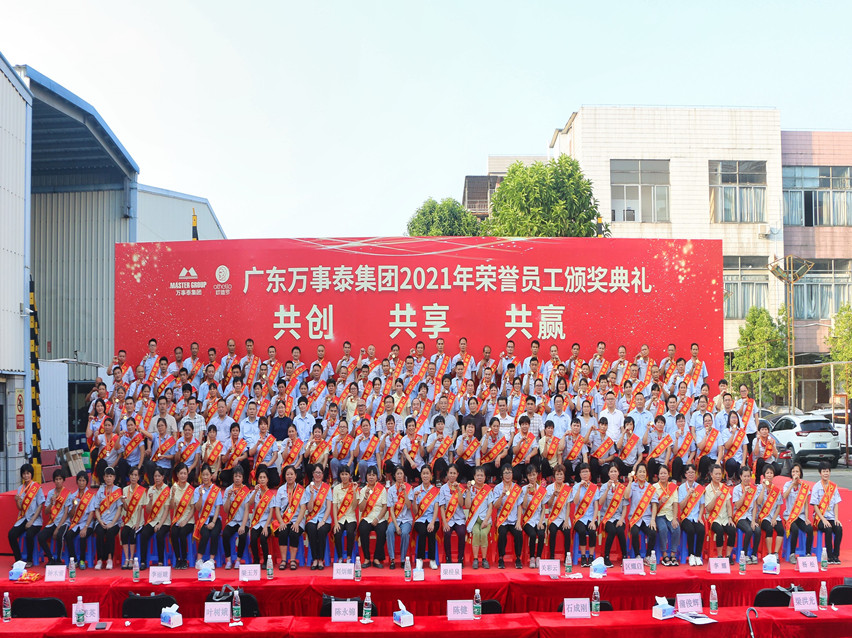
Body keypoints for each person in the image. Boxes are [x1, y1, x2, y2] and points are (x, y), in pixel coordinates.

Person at [273, 465, 305, 570]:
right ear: (284, 476)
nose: (289, 476)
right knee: (282, 532)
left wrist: (297, 523)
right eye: (287, 474)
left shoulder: (301, 490)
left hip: (297, 520)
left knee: (293, 533)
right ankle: (283, 560)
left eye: (291, 474)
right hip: (284, 520)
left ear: (295, 476)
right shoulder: (281, 490)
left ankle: (292, 560)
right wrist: (281, 522)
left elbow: (303, 509)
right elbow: (277, 509)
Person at [810, 461, 843, 565]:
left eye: (827, 471)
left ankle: (836, 555)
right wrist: (823, 519)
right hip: (819, 518)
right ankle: (829, 556)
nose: (826, 473)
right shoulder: (816, 486)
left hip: (831, 517)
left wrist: (836, 518)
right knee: (828, 528)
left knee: (839, 528)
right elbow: (815, 505)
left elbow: (836, 503)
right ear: (820, 473)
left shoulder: (833, 487)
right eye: (824, 471)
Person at [138, 467, 170, 569]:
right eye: (155, 476)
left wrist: (160, 524)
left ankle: (160, 561)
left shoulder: (167, 490)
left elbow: (166, 510)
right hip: (153, 520)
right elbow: (148, 511)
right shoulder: (150, 490)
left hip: (164, 522)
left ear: (163, 477)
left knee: (159, 535)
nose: (157, 478)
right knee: (144, 534)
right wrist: (151, 500)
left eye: (159, 476)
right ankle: (143, 562)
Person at [302, 463, 332, 570]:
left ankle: (321, 559)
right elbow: (309, 509)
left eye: (320, 472)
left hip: (324, 519)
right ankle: (315, 559)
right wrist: (311, 495)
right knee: (311, 529)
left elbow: (328, 508)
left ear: (323, 474)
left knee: (322, 531)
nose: (318, 475)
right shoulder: (308, 489)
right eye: (316, 472)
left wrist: (323, 521)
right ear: (313, 474)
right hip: (312, 518)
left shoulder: (327, 488)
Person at [192, 465, 222, 568]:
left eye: (207, 475)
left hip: (215, 518)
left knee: (214, 534)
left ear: (211, 476)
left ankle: (211, 560)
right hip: (203, 519)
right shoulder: (197, 490)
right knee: (204, 534)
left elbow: (218, 507)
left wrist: (213, 522)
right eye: (203, 475)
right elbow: (197, 508)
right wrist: (200, 496)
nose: (205, 477)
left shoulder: (216, 490)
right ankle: (199, 560)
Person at [37, 470, 70, 565]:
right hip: (53, 521)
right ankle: (51, 558)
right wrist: (51, 503)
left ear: (63, 480)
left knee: (59, 535)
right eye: (56, 479)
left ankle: (59, 560)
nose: (58, 481)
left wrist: (58, 528)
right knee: (41, 536)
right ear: (54, 481)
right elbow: (46, 512)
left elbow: (66, 513)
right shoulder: (51, 493)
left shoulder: (67, 494)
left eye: (60, 479)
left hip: (63, 522)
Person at [358, 466, 389, 567]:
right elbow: (361, 509)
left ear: (377, 477)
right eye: (369, 475)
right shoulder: (363, 490)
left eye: (373, 475)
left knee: (382, 530)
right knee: (362, 529)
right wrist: (365, 497)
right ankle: (367, 558)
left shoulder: (382, 489)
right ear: (366, 476)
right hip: (367, 517)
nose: (371, 477)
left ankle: (376, 558)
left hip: (379, 518)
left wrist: (378, 518)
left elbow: (385, 507)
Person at [598, 464, 628, 568]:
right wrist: (607, 489)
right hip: (607, 517)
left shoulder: (622, 488)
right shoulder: (604, 486)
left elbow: (625, 507)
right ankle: (606, 557)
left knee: (620, 530)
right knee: (611, 530)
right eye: (611, 472)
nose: (613, 473)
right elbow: (600, 502)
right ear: (608, 474)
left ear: (618, 473)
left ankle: (624, 556)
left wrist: (621, 520)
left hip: (619, 517)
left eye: (615, 471)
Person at [627, 463, 658, 564]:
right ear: (636, 474)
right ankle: (637, 555)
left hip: (647, 518)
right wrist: (630, 481)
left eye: (644, 472)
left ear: (646, 474)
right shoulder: (632, 485)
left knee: (653, 532)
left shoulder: (650, 488)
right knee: (635, 532)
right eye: (640, 471)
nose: (642, 474)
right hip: (635, 518)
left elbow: (654, 504)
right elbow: (626, 496)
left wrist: (653, 520)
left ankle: (648, 556)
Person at [244, 465, 275, 565]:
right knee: (253, 538)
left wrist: (266, 527)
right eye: (260, 477)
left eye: (264, 477)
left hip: (267, 523)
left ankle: (266, 561)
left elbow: (271, 512)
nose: (262, 479)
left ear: (267, 479)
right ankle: (256, 560)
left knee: (263, 538)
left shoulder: (271, 495)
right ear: (257, 480)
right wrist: (255, 491)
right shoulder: (255, 492)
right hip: (256, 522)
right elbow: (249, 503)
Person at [783, 462, 813, 563]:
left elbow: (806, 504)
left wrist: (807, 518)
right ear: (791, 473)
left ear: (800, 473)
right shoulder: (787, 484)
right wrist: (792, 484)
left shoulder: (804, 487)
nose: (795, 473)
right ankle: (792, 554)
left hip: (801, 516)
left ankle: (808, 553)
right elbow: (784, 496)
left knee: (809, 529)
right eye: (793, 471)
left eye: (797, 471)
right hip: (790, 516)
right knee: (794, 529)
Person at [411, 464, 440, 569]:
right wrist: (415, 499)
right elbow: (415, 512)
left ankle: (432, 559)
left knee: (431, 531)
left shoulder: (435, 490)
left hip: (433, 518)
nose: (425, 476)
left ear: (431, 475)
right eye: (423, 473)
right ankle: (420, 559)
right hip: (420, 519)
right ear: (421, 475)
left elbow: (436, 508)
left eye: (427, 473)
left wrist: (432, 522)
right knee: (423, 531)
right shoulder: (416, 490)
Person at [705, 464, 736, 562]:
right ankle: (719, 556)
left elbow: (729, 505)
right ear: (711, 475)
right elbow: (708, 509)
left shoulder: (724, 488)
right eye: (716, 474)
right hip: (713, 518)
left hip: (725, 518)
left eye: (720, 474)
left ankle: (728, 556)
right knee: (719, 531)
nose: (718, 476)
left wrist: (730, 518)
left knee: (732, 530)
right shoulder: (707, 489)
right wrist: (715, 497)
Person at [222, 466, 251, 569]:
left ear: (242, 478)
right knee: (225, 534)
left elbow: (247, 510)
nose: (237, 478)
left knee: (242, 535)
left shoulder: (246, 491)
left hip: (243, 521)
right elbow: (226, 510)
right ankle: (229, 560)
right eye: (236, 476)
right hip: (232, 521)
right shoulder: (228, 490)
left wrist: (243, 525)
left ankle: (238, 560)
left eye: (239, 476)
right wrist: (229, 498)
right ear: (233, 477)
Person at [571, 463, 599, 567]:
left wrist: (593, 521)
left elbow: (596, 507)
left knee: (592, 531)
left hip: (591, 517)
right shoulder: (576, 487)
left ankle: (591, 556)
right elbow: (575, 502)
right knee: (582, 531)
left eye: (586, 471)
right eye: (583, 472)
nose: (585, 474)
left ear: (590, 473)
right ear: (580, 474)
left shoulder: (594, 487)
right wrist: (579, 488)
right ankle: (583, 556)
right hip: (579, 518)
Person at [464, 466, 493, 568]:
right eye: (477, 475)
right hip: (474, 520)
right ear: (474, 477)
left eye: (481, 475)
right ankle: (476, 559)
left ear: (485, 477)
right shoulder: (471, 489)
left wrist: (486, 520)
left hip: (486, 520)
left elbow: (490, 507)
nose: (479, 477)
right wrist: (468, 491)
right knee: (476, 533)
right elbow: (467, 506)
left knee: (483, 534)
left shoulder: (488, 490)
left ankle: (484, 559)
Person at [519, 464, 547, 568]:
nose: (532, 477)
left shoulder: (541, 490)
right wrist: (526, 493)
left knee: (541, 534)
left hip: (539, 519)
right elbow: (524, 506)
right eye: (530, 475)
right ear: (527, 476)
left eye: (534, 474)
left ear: (537, 475)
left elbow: (543, 508)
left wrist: (541, 522)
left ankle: (538, 557)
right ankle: (531, 557)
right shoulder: (523, 489)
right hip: (528, 520)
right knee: (532, 534)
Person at [119, 466, 147, 569]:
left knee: (132, 533)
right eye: (132, 475)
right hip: (128, 519)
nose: (134, 477)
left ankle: (131, 559)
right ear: (129, 476)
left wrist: (138, 523)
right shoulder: (125, 489)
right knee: (124, 533)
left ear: (138, 477)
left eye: (136, 475)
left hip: (138, 521)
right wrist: (123, 503)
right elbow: (126, 509)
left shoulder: (142, 490)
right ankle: (126, 558)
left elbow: (140, 508)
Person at [168, 463, 195, 569]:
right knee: (174, 532)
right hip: (177, 519)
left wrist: (186, 521)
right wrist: (172, 496)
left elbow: (193, 508)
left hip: (188, 520)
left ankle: (184, 559)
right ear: (177, 475)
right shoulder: (173, 488)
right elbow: (171, 507)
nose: (183, 475)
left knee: (183, 533)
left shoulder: (191, 489)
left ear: (187, 475)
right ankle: (178, 559)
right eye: (181, 473)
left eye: (185, 473)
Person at [732, 466, 760, 564]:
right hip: (739, 516)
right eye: (745, 476)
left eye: (748, 476)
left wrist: (753, 521)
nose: (747, 478)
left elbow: (755, 506)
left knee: (757, 530)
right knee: (748, 530)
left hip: (750, 516)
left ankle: (754, 554)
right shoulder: (736, 489)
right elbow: (737, 506)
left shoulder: (754, 489)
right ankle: (745, 554)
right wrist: (744, 493)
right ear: (740, 477)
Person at [756, 464, 784, 561]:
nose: (769, 475)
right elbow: (759, 502)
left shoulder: (776, 490)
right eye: (767, 473)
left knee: (780, 529)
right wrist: (764, 488)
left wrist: (774, 518)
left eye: (771, 473)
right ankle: (769, 553)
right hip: (763, 516)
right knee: (769, 529)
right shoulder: (759, 488)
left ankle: (775, 553)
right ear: (764, 475)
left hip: (774, 516)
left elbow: (779, 506)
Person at [386, 466, 412, 569]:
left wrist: (404, 492)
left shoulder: (409, 488)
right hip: (395, 519)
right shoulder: (391, 490)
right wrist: (396, 526)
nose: (400, 476)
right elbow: (391, 510)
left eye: (401, 473)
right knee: (389, 531)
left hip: (406, 519)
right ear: (394, 476)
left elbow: (409, 506)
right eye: (398, 474)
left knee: (405, 533)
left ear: (404, 475)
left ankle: (402, 559)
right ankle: (392, 559)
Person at [653, 465, 679, 566]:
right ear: (658, 475)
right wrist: (660, 502)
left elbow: (675, 504)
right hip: (659, 515)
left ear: (668, 475)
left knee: (676, 528)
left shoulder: (673, 487)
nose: (663, 475)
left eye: (665, 473)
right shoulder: (654, 487)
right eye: (661, 473)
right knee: (663, 529)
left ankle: (673, 554)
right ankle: (664, 555)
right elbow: (653, 507)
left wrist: (675, 518)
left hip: (670, 514)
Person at [440, 464, 467, 564]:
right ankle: (448, 558)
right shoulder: (443, 488)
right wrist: (445, 523)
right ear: (447, 473)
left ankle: (460, 559)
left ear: (457, 474)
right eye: (450, 473)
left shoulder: (461, 488)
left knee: (461, 533)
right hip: (448, 519)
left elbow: (461, 504)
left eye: (454, 473)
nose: (452, 475)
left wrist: (458, 490)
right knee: (447, 533)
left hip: (459, 519)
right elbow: (442, 507)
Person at [331, 465, 358, 563]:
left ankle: (349, 557)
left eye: (346, 474)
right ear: (339, 475)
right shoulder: (336, 488)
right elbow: (334, 506)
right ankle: (340, 557)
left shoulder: (354, 487)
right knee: (337, 532)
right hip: (340, 518)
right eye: (342, 474)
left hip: (351, 518)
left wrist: (354, 492)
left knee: (350, 532)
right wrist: (336, 523)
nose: (344, 476)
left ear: (349, 475)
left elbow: (354, 507)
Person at [480, 417, 510, 482]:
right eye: (494, 426)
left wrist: (499, 456)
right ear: (490, 426)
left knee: (507, 458)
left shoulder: (501, 435)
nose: (496, 428)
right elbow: (483, 451)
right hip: (489, 461)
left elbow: (505, 451)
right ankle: (486, 479)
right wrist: (487, 438)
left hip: (498, 462)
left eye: (497, 426)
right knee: (484, 468)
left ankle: (499, 478)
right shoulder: (486, 435)